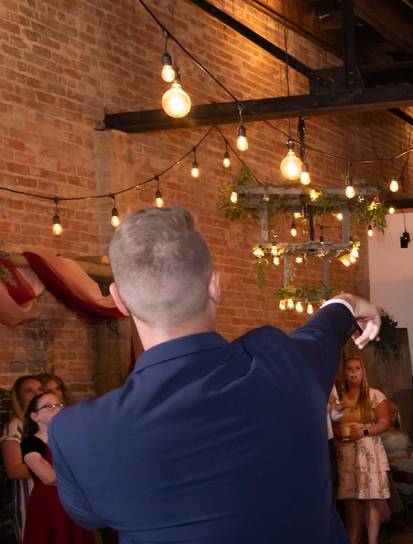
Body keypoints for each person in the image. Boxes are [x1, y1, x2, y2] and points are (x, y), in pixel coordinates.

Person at [46, 207, 381, 543]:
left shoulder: (80, 433)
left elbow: (88, 515)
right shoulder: (284, 361)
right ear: (215, 285)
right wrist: (351, 304)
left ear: (118, 300)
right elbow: (328, 324)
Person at [20, 391, 93, 544]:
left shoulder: (71, 439)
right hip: (49, 504)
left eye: (59, 404)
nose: (58, 408)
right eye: (49, 406)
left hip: (76, 503)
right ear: (35, 416)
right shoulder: (30, 443)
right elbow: (49, 477)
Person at [333, 357, 392, 544]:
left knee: (369, 500)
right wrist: (336, 432)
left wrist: (363, 431)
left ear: (363, 372)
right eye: (349, 369)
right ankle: (353, 538)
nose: (353, 372)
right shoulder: (338, 398)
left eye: (357, 368)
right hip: (345, 453)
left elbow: (384, 423)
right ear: (344, 372)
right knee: (350, 501)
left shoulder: (374, 395)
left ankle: (372, 541)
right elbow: (330, 423)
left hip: (367, 451)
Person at [2, 375, 42, 542]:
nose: (36, 394)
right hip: (30, 503)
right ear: (19, 398)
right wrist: (55, 467)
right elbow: (14, 470)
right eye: (29, 391)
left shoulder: (44, 425)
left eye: (40, 389)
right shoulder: (15, 426)